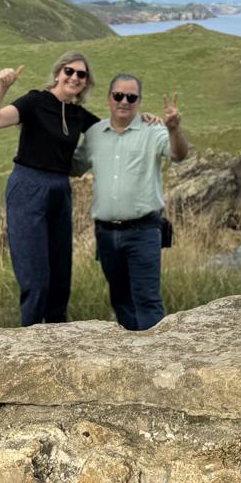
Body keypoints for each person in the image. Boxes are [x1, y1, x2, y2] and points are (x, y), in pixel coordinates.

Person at [0, 51, 100, 326]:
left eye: (81, 75)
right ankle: (30, 338)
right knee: (35, 278)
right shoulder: (35, 101)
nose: (74, 77)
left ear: (86, 83)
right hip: (28, 185)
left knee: (60, 276)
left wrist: (147, 121)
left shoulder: (78, 115)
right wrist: (2, 87)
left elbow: (113, 129)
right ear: (58, 72)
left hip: (60, 190)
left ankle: (57, 338)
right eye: (69, 71)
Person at [73, 74, 188, 331]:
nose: (124, 101)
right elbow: (73, 166)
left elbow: (178, 154)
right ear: (109, 98)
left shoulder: (153, 130)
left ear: (139, 101)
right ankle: (132, 360)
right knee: (121, 300)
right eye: (118, 96)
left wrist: (173, 128)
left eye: (131, 97)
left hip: (143, 231)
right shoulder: (94, 134)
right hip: (105, 233)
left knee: (147, 300)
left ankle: (155, 360)